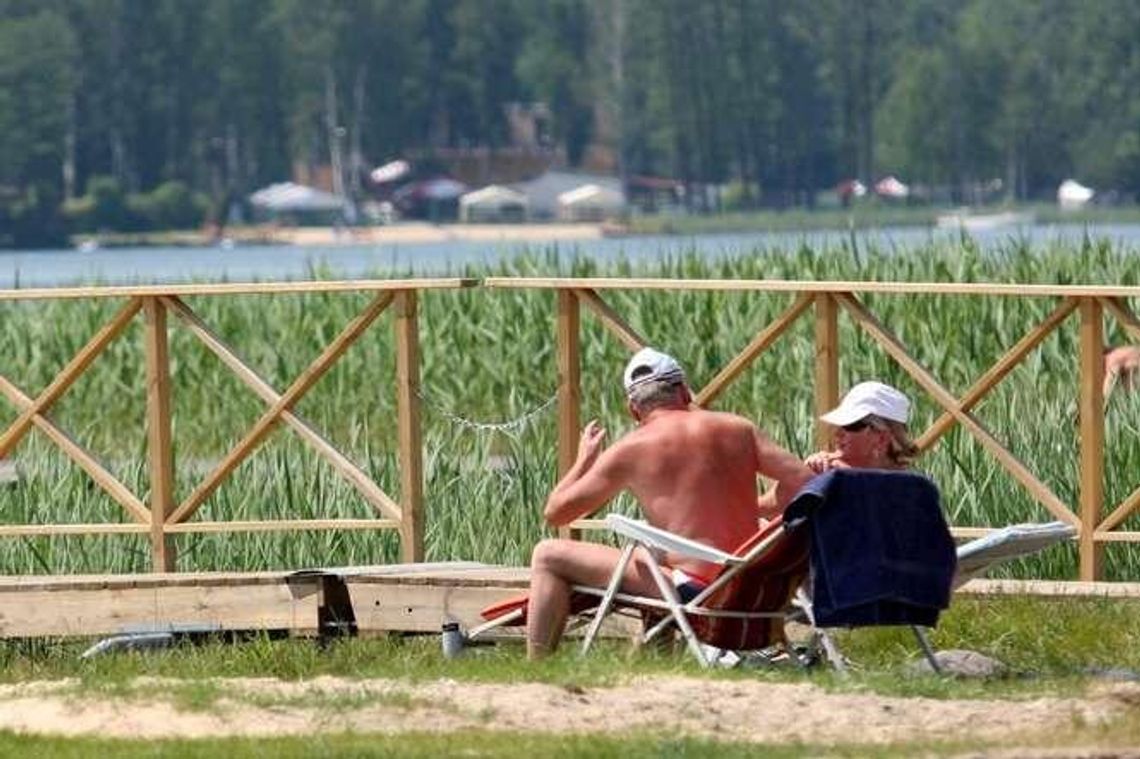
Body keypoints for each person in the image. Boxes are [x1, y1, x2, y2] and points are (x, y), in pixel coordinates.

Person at [525, 347, 813, 659]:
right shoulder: (739, 429)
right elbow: (807, 483)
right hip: (749, 588)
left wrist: (584, 460)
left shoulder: (630, 449)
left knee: (548, 554)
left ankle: (536, 666)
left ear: (633, 410)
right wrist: (750, 505)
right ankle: (655, 660)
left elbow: (556, 513)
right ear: (684, 390)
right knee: (651, 553)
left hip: (695, 591)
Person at [803, 380, 917, 472]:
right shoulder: (828, 472)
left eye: (850, 425)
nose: (837, 433)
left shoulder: (909, 492)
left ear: (881, 439)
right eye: (839, 425)